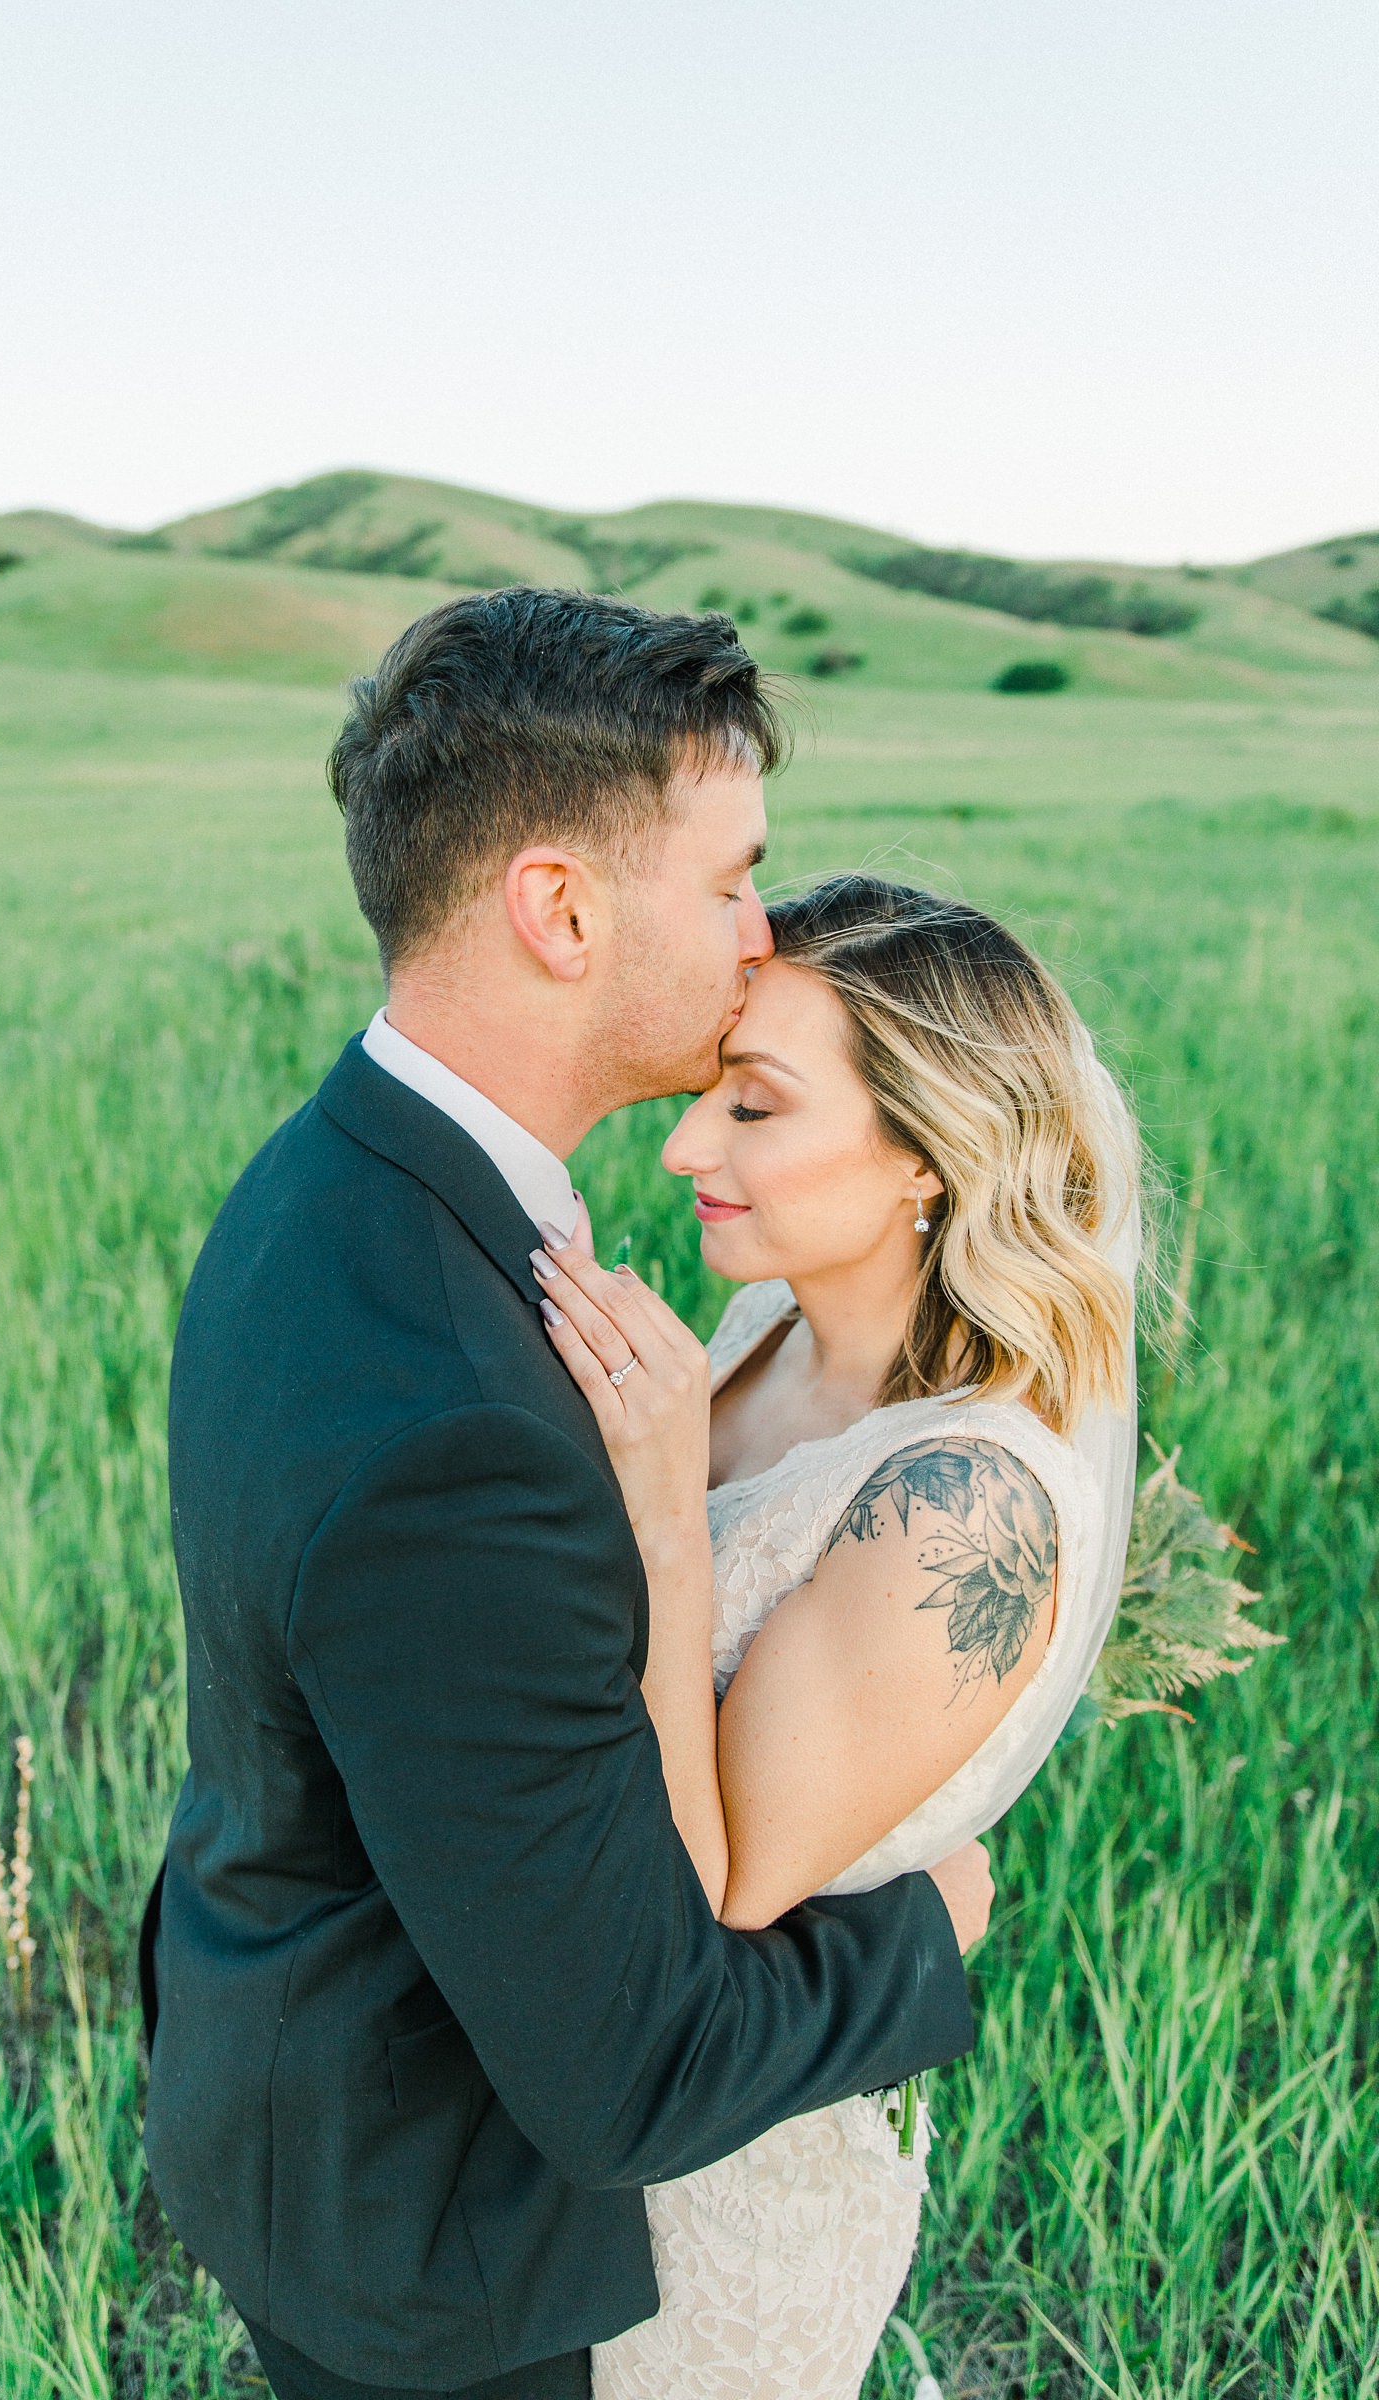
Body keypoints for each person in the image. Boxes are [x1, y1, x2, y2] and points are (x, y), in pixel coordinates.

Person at [139, 590, 993, 2400]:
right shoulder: (458, 1425)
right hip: (438, 2266)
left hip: (292, 2093)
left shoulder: (332, 1177)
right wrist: (928, 1932)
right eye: (731, 878)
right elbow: (632, 2078)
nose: (762, 940)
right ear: (561, 909)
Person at [533, 873, 1142, 2399]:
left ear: (926, 1157)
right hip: (577, 2124)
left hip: (717, 2204)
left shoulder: (966, 1504)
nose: (682, 1144)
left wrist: (666, 1512)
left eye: (755, 1108)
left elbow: (724, 1882)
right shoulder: (772, 1330)